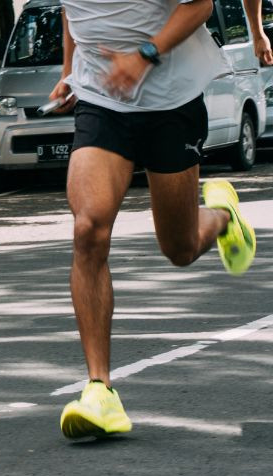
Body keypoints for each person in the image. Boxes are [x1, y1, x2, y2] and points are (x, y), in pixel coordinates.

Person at [49, 0, 255, 439]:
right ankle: (99, 390)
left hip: (170, 100)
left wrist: (143, 56)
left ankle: (221, 217)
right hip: (101, 98)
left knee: (179, 247)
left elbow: (201, 6)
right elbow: (73, 11)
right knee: (88, 229)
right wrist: (68, 71)